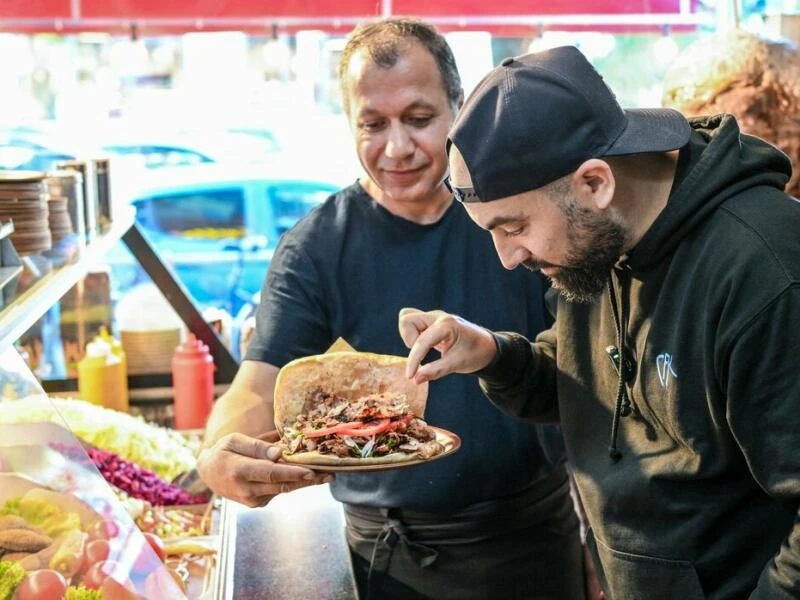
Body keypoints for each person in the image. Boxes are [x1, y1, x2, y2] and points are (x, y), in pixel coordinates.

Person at [197, 19, 589, 600]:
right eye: (373, 124)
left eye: (420, 118)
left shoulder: (518, 213)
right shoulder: (319, 245)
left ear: (459, 107)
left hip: (530, 540)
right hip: (387, 557)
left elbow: (588, 373)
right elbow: (259, 383)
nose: (397, 147)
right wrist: (217, 456)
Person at [399, 45, 800, 600]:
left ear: (594, 183)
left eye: (512, 227)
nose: (507, 257)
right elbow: (587, 386)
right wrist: (494, 354)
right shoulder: (594, 241)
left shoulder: (768, 272)